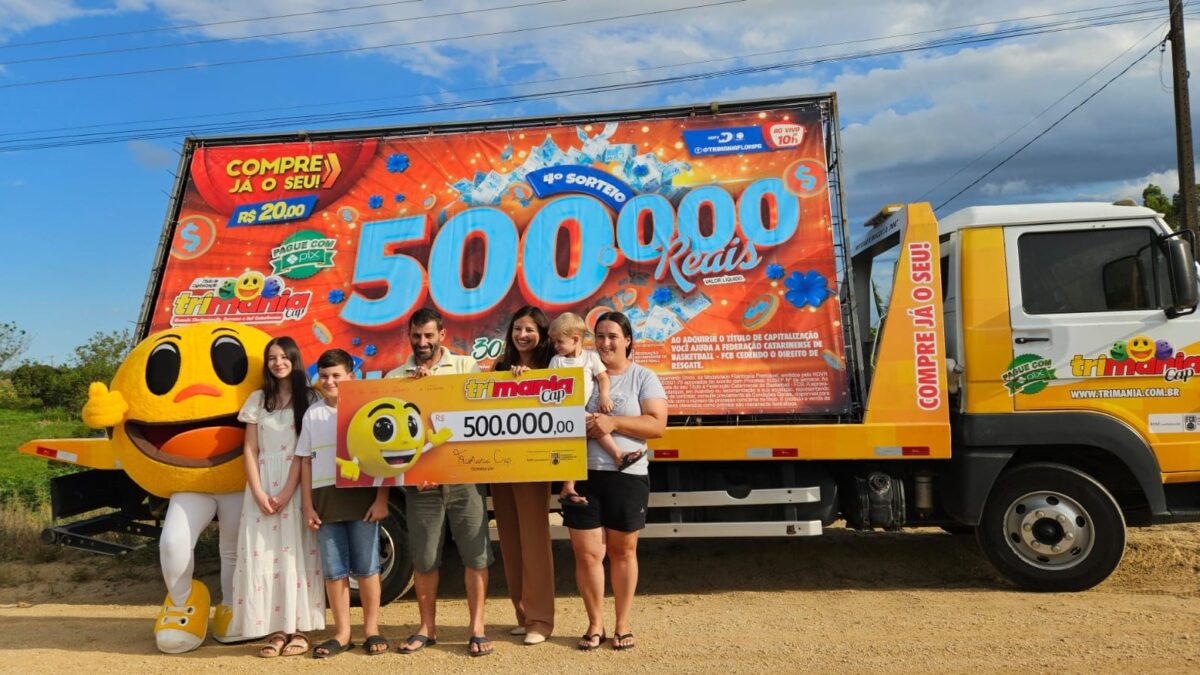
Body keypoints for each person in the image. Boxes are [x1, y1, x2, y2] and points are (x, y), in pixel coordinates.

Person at [386, 308, 495, 658]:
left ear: (442, 335)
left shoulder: (466, 367)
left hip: (465, 479)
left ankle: (477, 628)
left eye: (429, 336)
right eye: (416, 336)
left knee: (476, 555)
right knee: (424, 558)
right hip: (422, 485)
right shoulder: (393, 377)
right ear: (409, 336)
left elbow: (482, 412)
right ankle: (427, 628)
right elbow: (387, 440)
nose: (422, 342)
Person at [562, 311, 667, 652]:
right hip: (582, 476)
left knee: (623, 551)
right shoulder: (582, 373)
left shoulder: (642, 377)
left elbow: (657, 426)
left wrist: (612, 423)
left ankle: (622, 625)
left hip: (627, 477)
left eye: (613, 336)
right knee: (587, 555)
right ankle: (595, 625)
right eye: (600, 336)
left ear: (627, 341)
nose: (605, 343)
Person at [230, 337, 325, 657]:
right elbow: (249, 449)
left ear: (295, 360)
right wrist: (258, 492)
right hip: (261, 485)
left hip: (297, 484)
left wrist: (287, 491)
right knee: (263, 555)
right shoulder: (258, 399)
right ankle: (274, 629)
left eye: (284, 357)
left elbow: (305, 450)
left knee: (296, 554)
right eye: (272, 358)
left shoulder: (310, 398)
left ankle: (299, 628)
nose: (278, 362)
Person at [296, 349, 391, 658]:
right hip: (325, 504)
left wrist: (381, 499)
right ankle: (342, 632)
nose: (329, 381)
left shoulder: (367, 409)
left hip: (363, 501)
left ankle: (372, 629)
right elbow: (306, 463)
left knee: (367, 567)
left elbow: (383, 459)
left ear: (352, 377)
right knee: (334, 571)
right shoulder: (313, 414)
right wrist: (308, 506)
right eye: (324, 376)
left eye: (336, 375)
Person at [491, 305, 557, 645]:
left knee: (534, 538)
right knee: (510, 539)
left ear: (542, 333)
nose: (522, 335)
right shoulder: (500, 367)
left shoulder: (551, 366)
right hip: (501, 463)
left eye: (529, 329)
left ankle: (541, 621)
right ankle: (523, 613)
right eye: (517, 329)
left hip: (534, 463)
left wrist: (529, 381)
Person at [549, 312, 641, 509]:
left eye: (559, 342)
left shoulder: (590, 358)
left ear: (575, 340)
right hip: (564, 408)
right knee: (592, 424)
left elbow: (603, 378)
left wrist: (605, 396)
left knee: (580, 442)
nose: (556, 347)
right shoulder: (557, 360)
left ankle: (569, 487)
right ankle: (617, 455)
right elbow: (549, 383)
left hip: (579, 409)